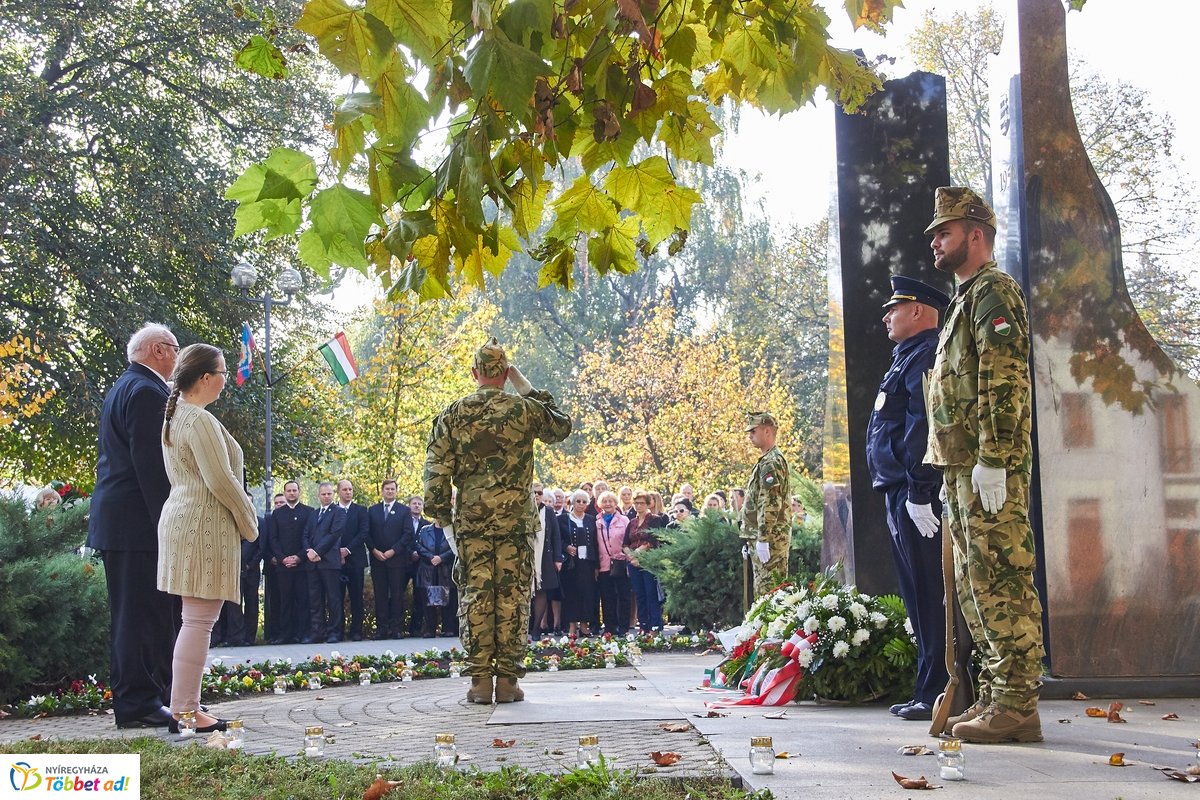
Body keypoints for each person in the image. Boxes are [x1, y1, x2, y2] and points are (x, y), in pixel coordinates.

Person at [924, 186, 1045, 744]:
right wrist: (956, 468)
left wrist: (994, 458)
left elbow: (1004, 379)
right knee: (976, 582)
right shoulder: (967, 298)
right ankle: (998, 695)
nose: (935, 243)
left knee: (1001, 578)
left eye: (944, 232)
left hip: (987, 467)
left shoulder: (994, 292)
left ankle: (1018, 703)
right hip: (962, 468)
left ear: (976, 235)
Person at [424, 338, 572, 704]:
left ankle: (479, 682)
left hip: (471, 524)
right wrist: (528, 388)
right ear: (506, 373)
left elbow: (436, 470)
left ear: (474, 372)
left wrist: (441, 515)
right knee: (512, 599)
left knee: (476, 597)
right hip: (516, 523)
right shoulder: (524, 409)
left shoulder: (453, 414)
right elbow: (561, 427)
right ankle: (507, 681)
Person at [157, 343, 258, 734]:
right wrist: (249, 522)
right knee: (199, 622)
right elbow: (221, 481)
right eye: (222, 373)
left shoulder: (177, 414)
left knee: (194, 621)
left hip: (185, 519)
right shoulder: (197, 420)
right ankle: (185, 711)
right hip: (202, 526)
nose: (225, 381)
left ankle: (185, 707)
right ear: (204, 377)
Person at [866, 274, 953, 722]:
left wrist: (920, 491)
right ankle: (927, 686)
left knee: (929, 592)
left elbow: (923, 426)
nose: (886, 317)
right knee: (918, 595)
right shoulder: (906, 357)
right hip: (899, 491)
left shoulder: (926, 354)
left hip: (917, 496)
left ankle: (938, 690)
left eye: (893, 309)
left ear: (918, 311)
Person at [86, 323, 180, 729]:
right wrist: (172, 523)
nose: (178, 357)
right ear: (158, 350)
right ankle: (139, 702)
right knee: (140, 616)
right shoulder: (145, 392)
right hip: (137, 526)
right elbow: (153, 470)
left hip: (125, 524)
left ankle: (150, 695)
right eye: (175, 348)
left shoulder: (125, 386)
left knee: (141, 614)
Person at [743, 411, 791, 596]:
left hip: (771, 540)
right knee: (767, 592)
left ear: (767, 431)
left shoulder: (771, 462)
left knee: (769, 594)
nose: (750, 436)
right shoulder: (768, 460)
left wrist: (763, 538)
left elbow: (770, 502)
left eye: (753, 431)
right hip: (769, 537)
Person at [267, 480, 313, 643]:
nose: (292, 493)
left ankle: (302, 634)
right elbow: (273, 538)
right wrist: (282, 558)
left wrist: (299, 557)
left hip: (303, 564)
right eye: (289, 490)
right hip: (283, 566)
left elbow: (309, 537)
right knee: (284, 600)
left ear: (299, 492)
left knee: (302, 600)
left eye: (294, 490)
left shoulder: (309, 512)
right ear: (285, 492)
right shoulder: (277, 514)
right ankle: (284, 634)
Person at [303, 482, 346, 643]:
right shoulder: (313, 514)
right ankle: (317, 632)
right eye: (323, 494)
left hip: (329, 562)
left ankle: (334, 632)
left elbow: (334, 534)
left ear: (333, 494)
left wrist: (317, 552)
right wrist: (309, 551)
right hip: (312, 563)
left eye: (329, 494)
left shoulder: (339, 512)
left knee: (333, 599)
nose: (326, 496)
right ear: (318, 495)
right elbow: (305, 534)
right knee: (315, 599)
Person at [368, 480, 409, 639]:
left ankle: (397, 629)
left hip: (396, 560)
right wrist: (374, 550)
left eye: (393, 489)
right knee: (380, 595)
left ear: (396, 491)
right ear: (382, 491)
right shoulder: (372, 510)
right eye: (387, 489)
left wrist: (394, 550)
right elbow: (366, 533)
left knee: (397, 595)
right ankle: (381, 629)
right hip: (377, 559)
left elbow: (407, 534)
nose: (390, 491)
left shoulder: (404, 510)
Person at [559, 490, 598, 638]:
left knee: (587, 593)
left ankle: (584, 625)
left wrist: (596, 565)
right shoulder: (563, 519)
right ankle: (571, 626)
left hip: (587, 562)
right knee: (571, 593)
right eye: (578, 501)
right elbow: (557, 539)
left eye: (584, 502)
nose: (581, 504)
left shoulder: (591, 519)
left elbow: (595, 542)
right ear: (573, 502)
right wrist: (566, 547)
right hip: (570, 563)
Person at [335, 479, 370, 641]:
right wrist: (338, 552)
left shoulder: (361, 510)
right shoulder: (332, 510)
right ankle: (338, 631)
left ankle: (356, 631)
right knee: (337, 597)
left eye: (350, 489)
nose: (348, 492)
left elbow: (363, 533)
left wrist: (347, 550)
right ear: (338, 492)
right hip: (335, 561)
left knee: (356, 597)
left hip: (355, 560)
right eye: (345, 489)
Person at [626, 489, 665, 632]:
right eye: (636, 503)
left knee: (651, 594)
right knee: (640, 595)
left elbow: (652, 540)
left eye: (642, 503)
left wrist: (637, 554)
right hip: (633, 563)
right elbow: (625, 543)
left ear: (648, 504)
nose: (638, 506)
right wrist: (630, 556)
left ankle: (655, 626)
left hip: (648, 562)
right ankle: (643, 626)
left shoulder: (655, 519)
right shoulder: (632, 522)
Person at [594, 490, 631, 635]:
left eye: (610, 501)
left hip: (620, 562)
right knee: (607, 597)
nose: (608, 504)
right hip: (604, 564)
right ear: (600, 504)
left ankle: (623, 627)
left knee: (623, 596)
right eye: (604, 501)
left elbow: (628, 541)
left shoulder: (624, 520)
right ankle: (609, 626)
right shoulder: (597, 522)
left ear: (616, 503)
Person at [530, 483, 564, 637]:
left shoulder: (548, 511)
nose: (536, 495)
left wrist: (558, 558)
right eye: (534, 492)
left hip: (544, 556)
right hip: (525, 556)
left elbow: (556, 535)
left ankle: (536, 628)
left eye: (539, 493)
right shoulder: (521, 510)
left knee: (541, 591)